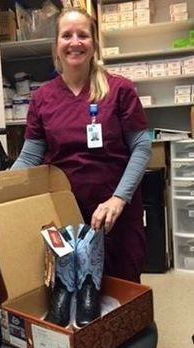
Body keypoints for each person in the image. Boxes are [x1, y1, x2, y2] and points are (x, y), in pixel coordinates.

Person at [12, 6, 151, 284]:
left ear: (94, 44)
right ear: (56, 45)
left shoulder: (119, 89)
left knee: (120, 292)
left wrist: (118, 198)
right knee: (75, 293)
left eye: (83, 35)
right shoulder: (43, 98)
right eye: (66, 35)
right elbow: (28, 159)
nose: (75, 42)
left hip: (115, 215)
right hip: (65, 215)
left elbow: (142, 146)